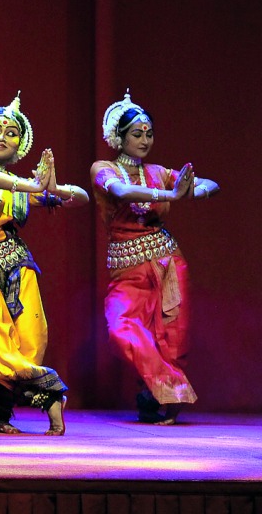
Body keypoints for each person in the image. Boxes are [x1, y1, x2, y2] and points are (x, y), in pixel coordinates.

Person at [0, 93, 88, 435]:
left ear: (19, 147)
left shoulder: (24, 189)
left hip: (15, 268)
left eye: (12, 134)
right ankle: (49, 390)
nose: (1, 136)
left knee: (28, 344)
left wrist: (53, 187)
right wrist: (32, 185)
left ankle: (1, 416)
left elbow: (80, 198)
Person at [92, 90, 218, 425]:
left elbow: (211, 183)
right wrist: (171, 194)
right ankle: (171, 390)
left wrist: (194, 191)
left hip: (167, 264)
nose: (145, 140)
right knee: (122, 329)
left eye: (149, 134)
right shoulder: (103, 169)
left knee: (170, 338)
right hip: (127, 271)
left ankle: (161, 402)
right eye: (137, 134)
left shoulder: (160, 171)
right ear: (119, 138)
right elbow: (121, 191)